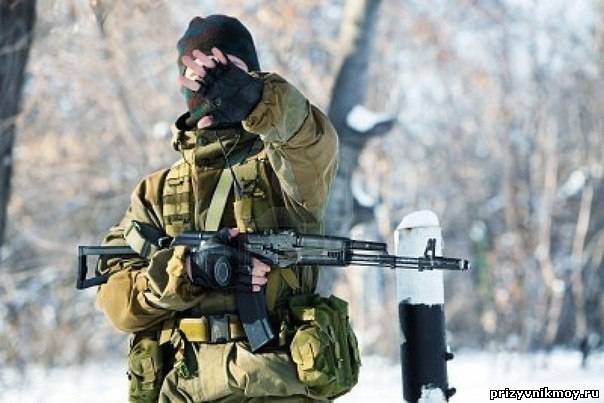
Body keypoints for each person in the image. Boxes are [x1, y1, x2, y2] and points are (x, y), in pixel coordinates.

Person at [95, 14, 355, 402]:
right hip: (184, 389)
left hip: (278, 388)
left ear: (250, 74)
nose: (213, 85)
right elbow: (118, 303)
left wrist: (258, 100)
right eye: (200, 73)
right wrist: (186, 270)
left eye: (227, 70)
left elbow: (310, 140)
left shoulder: (285, 170)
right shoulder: (156, 192)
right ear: (184, 83)